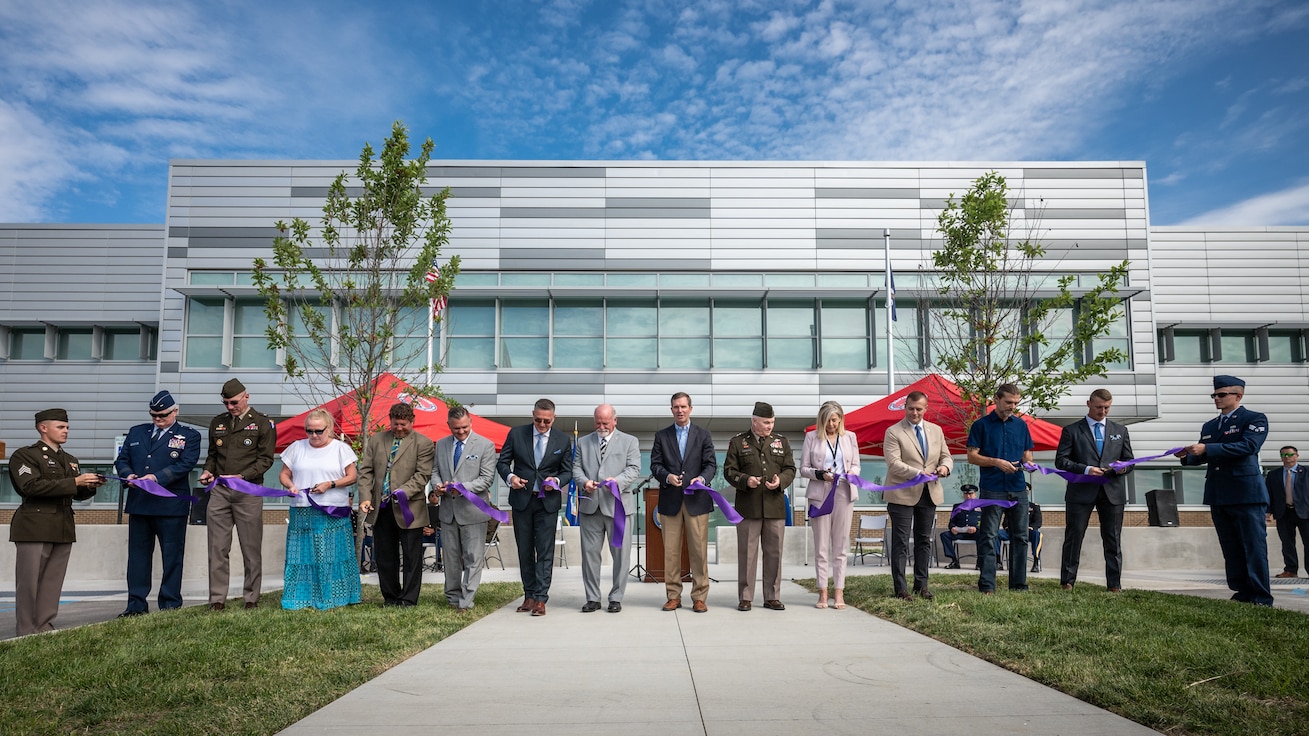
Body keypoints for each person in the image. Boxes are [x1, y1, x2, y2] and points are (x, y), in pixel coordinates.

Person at [1177, 375, 1272, 606]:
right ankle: (1241, 592)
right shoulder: (1210, 426)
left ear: (1238, 396)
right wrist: (1187, 456)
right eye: (1214, 395)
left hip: (1245, 493)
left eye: (1222, 395)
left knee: (1253, 546)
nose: (1216, 399)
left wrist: (1207, 447)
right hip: (1219, 493)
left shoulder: (1253, 419)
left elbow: (1249, 446)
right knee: (1230, 546)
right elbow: (1206, 455)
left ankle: (1260, 596)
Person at [9, 408, 106, 636]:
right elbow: (30, 487)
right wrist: (75, 482)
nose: (66, 431)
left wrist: (89, 486)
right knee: (29, 583)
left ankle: (44, 626)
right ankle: (25, 629)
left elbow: (75, 493)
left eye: (67, 427)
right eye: (61, 427)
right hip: (34, 526)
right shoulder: (25, 455)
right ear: (43, 428)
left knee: (52, 582)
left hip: (62, 526)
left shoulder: (70, 460)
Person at [113, 390, 201, 617]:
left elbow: (186, 464)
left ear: (175, 411)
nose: (158, 420)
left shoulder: (189, 436)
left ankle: (170, 603)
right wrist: (128, 475)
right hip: (140, 505)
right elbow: (122, 459)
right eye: (154, 416)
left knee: (172, 556)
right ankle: (136, 605)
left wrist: (156, 478)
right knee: (138, 557)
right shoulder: (136, 432)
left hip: (170, 507)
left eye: (163, 415)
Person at [198, 378, 277, 610]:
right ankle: (217, 600)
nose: (230, 407)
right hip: (220, 491)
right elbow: (212, 455)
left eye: (234, 402)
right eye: (226, 403)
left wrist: (243, 476)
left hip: (248, 492)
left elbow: (266, 460)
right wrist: (207, 471)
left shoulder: (262, 423)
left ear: (246, 397)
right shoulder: (218, 423)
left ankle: (251, 598)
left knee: (250, 548)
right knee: (217, 547)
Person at [278, 409, 361, 611]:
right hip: (302, 509)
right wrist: (290, 485)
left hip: (332, 510)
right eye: (309, 431)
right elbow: (284, 473)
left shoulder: (341, 449)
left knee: (331, 555)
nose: (313, 436)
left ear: (329, 429)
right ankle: (300, 597)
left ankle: (336, 596)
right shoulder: (297, 447)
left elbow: (352, 476)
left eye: (318, 431)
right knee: (302, 555)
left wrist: (330, 484)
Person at [497, 398, 573, 617]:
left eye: (547, 421)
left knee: (545, 551)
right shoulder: (516, 434)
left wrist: (557, 482)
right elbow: (502, 462)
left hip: (547, 503)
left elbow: (567, 471)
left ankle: (541, 598)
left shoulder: (562, 440)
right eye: (538, 420)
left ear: (554, 418)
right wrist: (510, 477)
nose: (542, 424)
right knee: (524, 550)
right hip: (522, 501)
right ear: (533, 415)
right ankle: (528, 595)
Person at [1055, 388, 1134, 591]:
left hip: (1112, 491)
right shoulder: (1071, 430)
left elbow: (1130, 461)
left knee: (1113, 539)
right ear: (1088, 404)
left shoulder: (1120, 430)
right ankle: (1067, 582)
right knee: (1074, 536)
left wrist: (1122, 467)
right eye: (1099, 407)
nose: (1103, 411)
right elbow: (1061, 461)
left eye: (1107, 408)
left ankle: (1114, 585)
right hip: (1081, 491)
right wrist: (1086, 469)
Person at [358, 402, 435, 607]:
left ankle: (408, 599)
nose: (399, 428)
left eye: (403, 424)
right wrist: (365, 497)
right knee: (385, 557)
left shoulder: (424, 444)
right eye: (395, 424)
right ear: (390, 421)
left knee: (412, 558)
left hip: (410, 509)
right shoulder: (376, 440)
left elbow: (422, 475)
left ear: (412, 422)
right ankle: (390, 597)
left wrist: (401, 493)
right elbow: (365, 472)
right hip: (381, 510)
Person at [725, 401, 797, 612]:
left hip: (774, 506)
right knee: (747, 553)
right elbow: (729, 471)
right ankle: (746, 597)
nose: (770, 426)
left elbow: (791, 469)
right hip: (748, 507)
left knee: (774, 553)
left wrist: (780, 481)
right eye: (766, 422)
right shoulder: (738, 442)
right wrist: (745, 480)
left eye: (772, 422)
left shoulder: (781, 442)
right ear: (754, 421)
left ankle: (772, 596)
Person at [650, 392, 717, 613]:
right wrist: (667, 477)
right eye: (675, 407)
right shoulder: (662, 435)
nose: (679, 410)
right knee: (670, 552)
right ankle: (673, 596)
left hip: (697, 501)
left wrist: (702, 479)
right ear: (671, 410)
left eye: (683, 406)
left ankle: (699, 596)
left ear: (690, 408)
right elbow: (655, 465)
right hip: (670, 501)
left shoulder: (703, 434)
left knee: (699, 551)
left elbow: (710, 465)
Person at [883, 390, 953, 600]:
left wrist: (945, 468)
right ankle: (901, 589)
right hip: (901, 493)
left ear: (926, 408)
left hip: (929, 494)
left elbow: (946, 456)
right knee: (901, 542)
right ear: (905, 407)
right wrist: (917, 473)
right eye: (911, 409)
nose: (915, 413)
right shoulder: (893, 431)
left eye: (919, 409)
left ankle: (921, 586)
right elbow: (893, 463)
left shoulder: (936, 430)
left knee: (924, 540)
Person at [966, 383, 1034, 594]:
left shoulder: (1021, 425)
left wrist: (1030, 463)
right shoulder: (981, 425)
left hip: (1018, 488)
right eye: (1008, 402)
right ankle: (987, 585)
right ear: (996, 399)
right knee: (988, 535)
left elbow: (1027, 454)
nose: (1012, 406)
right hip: (993, 488)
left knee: (1021, 536)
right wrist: (996, 462)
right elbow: (971, 456)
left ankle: (1018, 584)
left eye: (1015, 403)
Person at [575, 403, 642, 613]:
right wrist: (584, 482)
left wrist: (618, 481)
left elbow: (634, 469)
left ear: (615, 420)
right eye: (597, 422)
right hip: (590, 507)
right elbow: (575, 468)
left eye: (605, 422)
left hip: (618, 507)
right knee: (589, 555)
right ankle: (593, 598)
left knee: (621, 556)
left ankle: (616, 597)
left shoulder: (630, 441)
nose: (601, 426)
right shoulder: (583, 442)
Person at [433, 405, 498, 610]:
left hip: (473, 511)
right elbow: (435, 470)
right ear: (449, 426)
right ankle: (452, 598)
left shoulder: (485, 445)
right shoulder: (441, 445)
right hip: (448, 512)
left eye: (464, 427)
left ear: (471, 422)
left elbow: (487, 478)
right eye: (456, 429)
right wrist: (437, 484)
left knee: (472, 558)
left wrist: (462, 488)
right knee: (451, 558)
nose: (461, 432)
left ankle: (466, 599)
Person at [799, 401, 860, 609]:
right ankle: (823, 592)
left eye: (835, 420)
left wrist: (852, 473)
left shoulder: (850, 437)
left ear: (841, 419)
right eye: (828, 421)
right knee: (822, 545)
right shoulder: (811, 437)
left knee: (841, 544)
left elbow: (856, 465)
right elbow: (803, 468)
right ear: (821, 420)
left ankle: (839, 591)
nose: (831, 425)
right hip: (820, 493)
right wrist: (820, 474)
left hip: (844, 491)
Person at [1267, 446, 1309, 578]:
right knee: (1287, 543)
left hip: (1304, 512)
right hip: (1284, 512)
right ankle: (1290, 570)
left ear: (1297, 455)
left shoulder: (1307, 472)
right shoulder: (1273, 475)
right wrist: (1267, 512)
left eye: (1290, 454)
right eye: (1284, 455)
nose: (1287, 457)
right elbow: (1269, 495)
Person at [997, 496, 1043, 572]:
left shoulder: (1034, 507)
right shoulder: (1011, 506)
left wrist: (1029, 528)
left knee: (1037, 534)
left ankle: (1036, 562)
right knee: (996, 534)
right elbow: (1005, 523)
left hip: (1028, 532)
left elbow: (1038, 522)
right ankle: (998, 562)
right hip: (1012, 532)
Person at [940, 485, 981, 568]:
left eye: (970, 494)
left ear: (975, 495)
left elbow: (985, 522)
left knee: (983, 535)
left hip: (975, 533)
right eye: (966, 494)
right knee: (944, 535)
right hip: (960, 533)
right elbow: (951, 522)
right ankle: (954, 560)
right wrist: (952, 528)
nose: (968, 496)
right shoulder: (957, 506)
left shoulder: (981, 507)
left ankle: (980, 562)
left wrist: (976, 528)